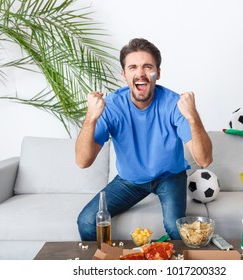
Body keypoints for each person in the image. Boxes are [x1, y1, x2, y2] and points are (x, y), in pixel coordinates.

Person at [76, 38, 212, 240]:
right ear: (124, 74)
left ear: (158, 72)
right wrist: (91, 117)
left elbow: (204, 160)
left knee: (176, 230)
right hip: (129, 181)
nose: (140, 73)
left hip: (170, 176)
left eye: (147, 67)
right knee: (87, 221)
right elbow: (82, 161)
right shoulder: (112, 106)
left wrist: (192, 117)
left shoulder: (174, 103)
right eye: (133, 67)